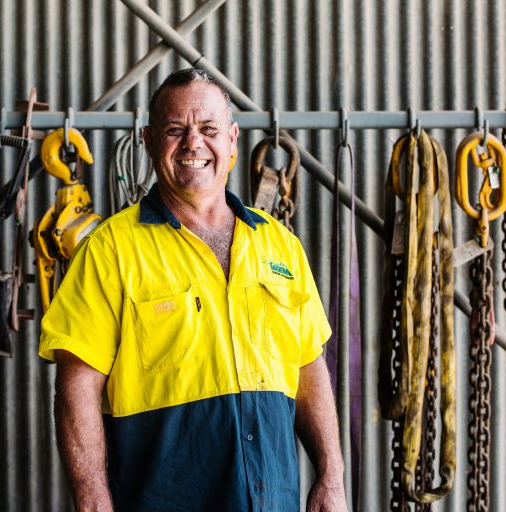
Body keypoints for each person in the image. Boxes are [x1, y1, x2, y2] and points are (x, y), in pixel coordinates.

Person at [39, 68, 347, 512]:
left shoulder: (280, 245)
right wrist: (91, 501)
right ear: (147, 140)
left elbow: (308, 368)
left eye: (208, 129)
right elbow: (77, 385)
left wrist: (331, 478)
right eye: (174, 130)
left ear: (233, 139)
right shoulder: (111, 250)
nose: (193, 144)